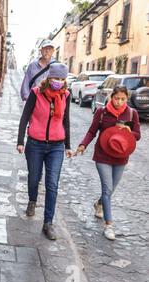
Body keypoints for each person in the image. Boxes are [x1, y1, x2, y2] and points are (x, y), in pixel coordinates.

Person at [75, 85, 141, 241]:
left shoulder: (132, 113)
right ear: (111, 97)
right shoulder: (102, 112)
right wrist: (83, 145)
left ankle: (99, 204)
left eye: (123, 99)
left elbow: (137, 135)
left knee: (110, 190)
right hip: (103, 155)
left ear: (127, 98)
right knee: (107, 189)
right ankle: (109, 225)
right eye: (116, 98)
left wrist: (128, 130)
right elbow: (92, 131)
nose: (119, 102)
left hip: (121, 156)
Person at [17, 63, 74, 240]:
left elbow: (66, 121)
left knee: (52, 183)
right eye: (56, 78)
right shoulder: (36, 93)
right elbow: (25, 117)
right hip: (35, 144)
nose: (59, 82)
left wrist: (68, 146)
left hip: (56, 146)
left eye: (62, 79)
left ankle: (48, 223)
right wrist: (20, 141)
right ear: (49, 78)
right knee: (34, 178)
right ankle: (32, 200)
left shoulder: (66, 96)